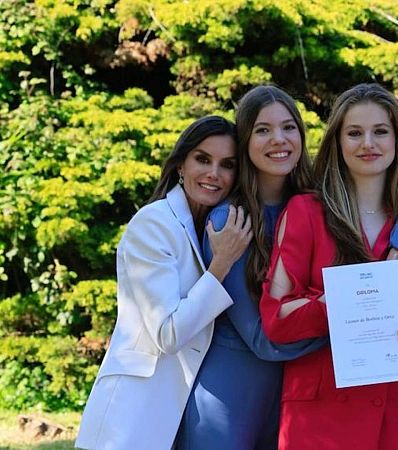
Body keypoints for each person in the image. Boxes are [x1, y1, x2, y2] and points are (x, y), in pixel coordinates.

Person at [178, 85, 398, 450]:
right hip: (241, 385)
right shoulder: (235, 220)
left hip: (350, 395)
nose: (278, 139)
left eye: (288, 127)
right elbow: (266, 336)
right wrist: (358, 311)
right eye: (262, 130)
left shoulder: (386, 214)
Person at [259, 83, 398, 450]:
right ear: (338, 143)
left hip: (396, 413)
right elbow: (275, 317)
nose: (368, 144)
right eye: (355, 133)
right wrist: (340, 303)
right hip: (320, 415)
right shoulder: (304, 213)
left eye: (380, 132)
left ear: (397, 140)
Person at [75, 116, 252, 450]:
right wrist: (222, 263)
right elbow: (167, 333)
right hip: (134, 416)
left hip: (179, 417)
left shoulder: (210, 227)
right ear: (181, 166)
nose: (214, 173)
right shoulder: (153, 224)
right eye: (202, 159)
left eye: (227, 165)